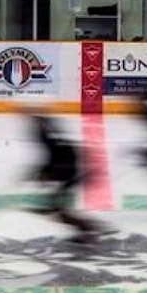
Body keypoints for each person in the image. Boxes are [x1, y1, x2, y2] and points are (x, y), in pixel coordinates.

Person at [21, 104, 102, 244]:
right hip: (71, 172)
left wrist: (42, 174)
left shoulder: (52, 143)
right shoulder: (55, 141)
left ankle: (87, 228)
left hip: (71, 174)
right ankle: (85, 226)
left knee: (59, 210)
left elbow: (56, 158)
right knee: (57, 206)